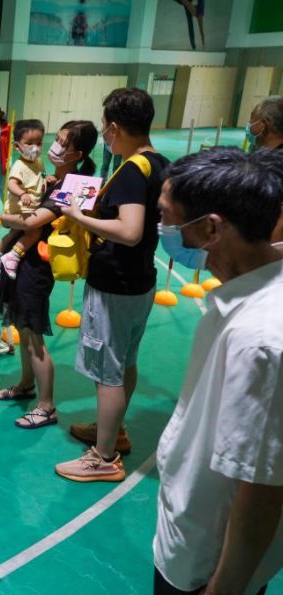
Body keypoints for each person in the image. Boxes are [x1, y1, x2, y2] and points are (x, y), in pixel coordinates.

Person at [154, 147, 283, 595]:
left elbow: (262, 487)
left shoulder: (261, 338)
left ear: (211, 227)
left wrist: (224, 587)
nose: (164, 230)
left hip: (204, 562)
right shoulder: (242, 290)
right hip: (186, 530)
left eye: (169, 219)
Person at [54, 88, 170, 483]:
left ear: (116, 126)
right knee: (126, 361)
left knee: (108, 371)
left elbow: (130, 230)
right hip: (141, 283)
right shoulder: (158, 163)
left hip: (116, 286)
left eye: (105, 127)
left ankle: (103, 458)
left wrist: (78, 216)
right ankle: (113, 432)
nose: (104, 133)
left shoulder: (133, 169)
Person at [0, 120, 98, 429]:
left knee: (33, 333)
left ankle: (46, 406)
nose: (54, 146)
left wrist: (3, 217)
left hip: (40, 267)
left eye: (63, 143)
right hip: (24, 261)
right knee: (22, 327)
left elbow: (33, 221)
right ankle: (26, 384)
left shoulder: (73, 186)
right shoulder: (53, 179)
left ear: (77, 153)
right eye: (57, 139)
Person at [0, 119, 48, 280]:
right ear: (17, 146)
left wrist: (48, 179)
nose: (35, 147)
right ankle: (12, 256)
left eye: (39, 142)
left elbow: (39, 177)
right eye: (29, 143)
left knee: (15, 232)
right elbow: (11, 184)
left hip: (28, 207)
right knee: (34, 232)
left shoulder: (39, 162)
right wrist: (22, 194)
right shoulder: (19, 166)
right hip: (20, 207)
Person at [246, 96, 283, 243]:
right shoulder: (261, 154)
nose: (249, 124)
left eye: (252, 118)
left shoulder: (277, 166)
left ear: (264, 125)